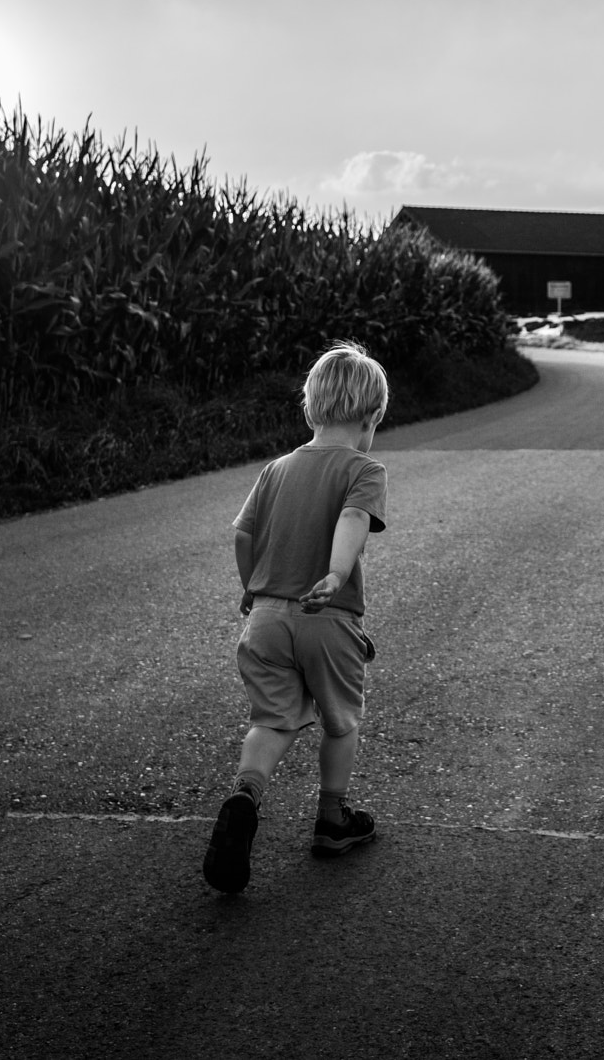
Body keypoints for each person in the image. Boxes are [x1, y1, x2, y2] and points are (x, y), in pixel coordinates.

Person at [203, 341, 389, 893]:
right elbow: (354, 516)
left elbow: (243, 533)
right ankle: (333, 820)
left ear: (310, 408)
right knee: (340, 720)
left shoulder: (275, 469)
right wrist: (333, 575)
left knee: (273, 720)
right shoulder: (364, 468)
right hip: (326, 616)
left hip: (264, 616)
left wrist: (250, 588)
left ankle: (245, 794)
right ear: (371, 416)